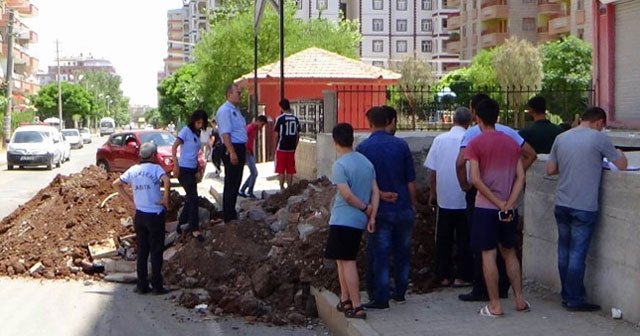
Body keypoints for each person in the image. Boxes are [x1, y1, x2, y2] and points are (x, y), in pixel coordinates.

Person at [455, 93, 537, 302]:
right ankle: (518, 298)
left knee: (487, 253)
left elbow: (474, 179)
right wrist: (509, 201)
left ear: (477, 117)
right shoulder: (511, 140)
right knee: (509, 251)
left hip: (485, 206)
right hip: (509, 203)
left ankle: (494, 304)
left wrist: (495, 200)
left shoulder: (474, 141)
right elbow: (520, 175)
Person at [546, 106, 627, 312]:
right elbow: (622, 165)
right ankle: (575, 299)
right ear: (599, 122)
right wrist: (619, 152)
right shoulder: (599, 139)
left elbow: (550, 169)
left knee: (563, 250)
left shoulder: (561, 137)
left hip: (562, 203)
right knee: (577, 254)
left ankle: (566, 294)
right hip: (584, 205)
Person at [357, 106, 416, 310]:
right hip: (403, 207)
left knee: (380, 254)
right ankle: (399, 292)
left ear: (370, 123)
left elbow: (362, 182)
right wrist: (412, 204)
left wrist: (380, 195)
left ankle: (380, 297)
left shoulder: (363, 148)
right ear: (389, 121)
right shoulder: (401, 146)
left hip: (378, 210)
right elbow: (410, 181)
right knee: (402, 252)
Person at [325, 122, 379, 320]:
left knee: (347, 262)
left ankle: (357, 305)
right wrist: (371, 215)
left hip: (342, 219)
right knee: (341, 259)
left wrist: (365, 208)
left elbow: (346, 195)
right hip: (358, 221)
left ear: (335, 142)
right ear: (352, 139)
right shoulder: (366, 163)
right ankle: (344, 298)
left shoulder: (340, 165)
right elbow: (375, 191)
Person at [113, 142, 171, 295]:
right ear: (153, 156)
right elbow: (167, 180)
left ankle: (142, 285)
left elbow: (117, 184)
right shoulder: (156, 168)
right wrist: (165, 199)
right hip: (155, 215)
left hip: (140, 215)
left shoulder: (134, 170)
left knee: (143, 251)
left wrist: (130, 201)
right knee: (156, 251)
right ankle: (157, 286)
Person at [424, 106, 473, 287]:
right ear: (469, 122)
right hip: (465, 195)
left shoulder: (440, 140)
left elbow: (433, 170)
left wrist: (433, 193)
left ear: (453, 120)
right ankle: (462, 276)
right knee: (464, 238)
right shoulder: (471, 138)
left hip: (445, 197)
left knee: (443, 238)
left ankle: (443, 275)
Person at [172, 109, 207, 242]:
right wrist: (175, 164)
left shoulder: (197, 133)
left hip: (192, 169)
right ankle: (194, 229)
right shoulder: (185, 131)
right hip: (183, 169)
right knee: (193, 198)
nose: (200, 125)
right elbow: (174, 147)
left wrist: (199, 168)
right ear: (193, 121)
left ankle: (180, 224)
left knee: (190, 198)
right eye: (198, 122)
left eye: (202, 123)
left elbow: (195, 153)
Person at [216, 84, 248, 223]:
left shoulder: (236, 110)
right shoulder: (225, 111)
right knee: (231, 182)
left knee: (236, 182)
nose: (240, 95)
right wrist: (232, 152)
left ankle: (231, 211)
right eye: (238, 93)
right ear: (229, 94)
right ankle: (228, 215)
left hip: (239, 147)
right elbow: (225, 134)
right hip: (232, 147)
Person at [274, 99, 300, 190]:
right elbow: (297, 136)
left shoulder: (280, 119)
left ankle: (281, 187)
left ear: (281, 107)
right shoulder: (295, 119)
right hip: (291, 148)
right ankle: (289, 187)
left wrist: (275, 146)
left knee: (281, 169)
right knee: (290, 169)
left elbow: (277, 135)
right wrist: (295, 147)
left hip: (281, 147)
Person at [239, 115, 268, 198]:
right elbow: (243, 138)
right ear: (258, 121)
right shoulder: (250, 128)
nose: (262, 127)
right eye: (262, 124)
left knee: (253, 173)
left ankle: (243, 190)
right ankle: (249, 191)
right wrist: (245, 149)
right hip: (247, 152)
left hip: (250, 152)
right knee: (254, 173)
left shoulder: (255, 129)